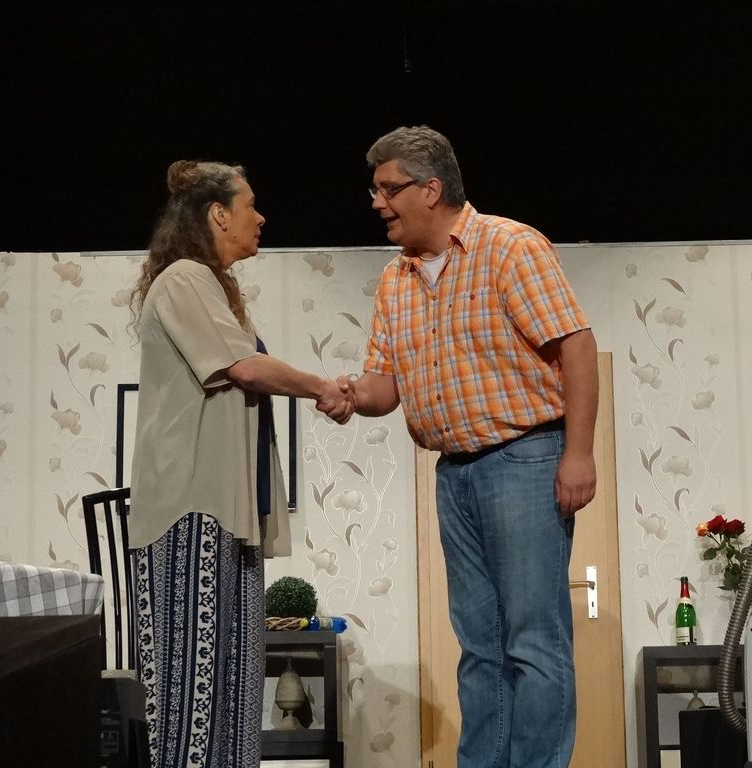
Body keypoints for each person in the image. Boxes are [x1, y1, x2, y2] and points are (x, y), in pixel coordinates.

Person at [344, 126, 598, 768]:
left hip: (524, 460)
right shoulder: (395, 280)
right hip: (453, 473)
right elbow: (383, 388)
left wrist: (579, 453)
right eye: (374, 189)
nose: (376, 202)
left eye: (387, 188)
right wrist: (342, 393)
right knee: (479, 646)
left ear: (430, 190)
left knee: (532, 641)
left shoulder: (509, 246)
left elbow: (576, 346)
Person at [128, 160, 352, 768]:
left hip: (230, 516)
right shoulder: (184, 278)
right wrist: (323, 387)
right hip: (189, 513)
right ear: (218, 214)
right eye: (250, 205)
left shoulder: (213, 289)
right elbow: (244, 368)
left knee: (234, 699)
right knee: (192, 700)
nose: (261, 217)